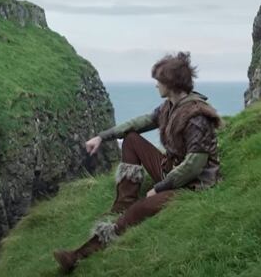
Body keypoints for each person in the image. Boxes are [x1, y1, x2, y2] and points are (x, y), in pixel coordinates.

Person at [53, 52, 222, 273]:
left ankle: (77, 256)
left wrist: (159, 188)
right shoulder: (170, 106)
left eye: (159, 81)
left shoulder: (196, 116)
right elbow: (141, 122)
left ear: (170, 83)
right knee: (131, 139)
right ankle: (123, 203)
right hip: (172, 170)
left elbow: (194, 166)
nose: (156, 86)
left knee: (140, 210)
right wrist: (102, 137)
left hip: (193, 185)